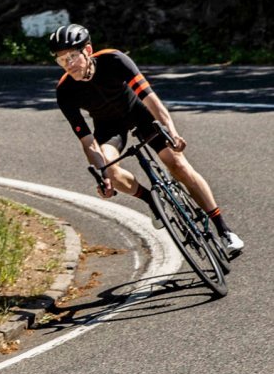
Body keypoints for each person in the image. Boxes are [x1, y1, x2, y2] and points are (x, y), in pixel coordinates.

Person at [49, 24, 244, 256]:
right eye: (61, 60)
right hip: (109, 126)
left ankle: (224, 230)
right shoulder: (65, 91)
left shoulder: (114, 59)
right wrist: (103, 176)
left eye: (72, 56)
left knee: (177, 164)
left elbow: (152, 100)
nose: (68, 64)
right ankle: (152, 200)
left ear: (88, 50)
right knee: (110, 170)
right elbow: (88, 141)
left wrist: (171, 132)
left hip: (140, 113)